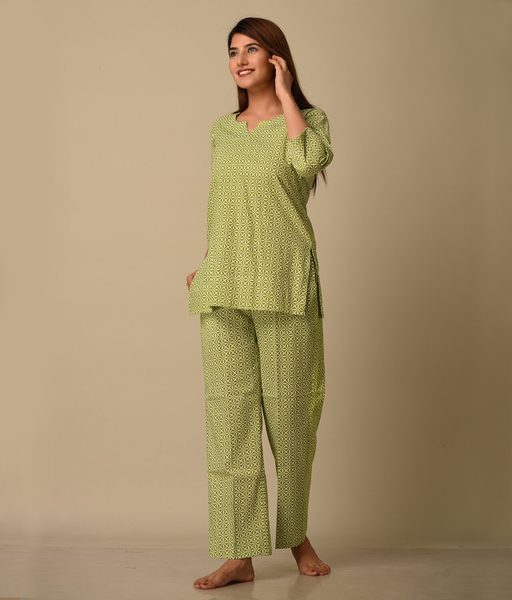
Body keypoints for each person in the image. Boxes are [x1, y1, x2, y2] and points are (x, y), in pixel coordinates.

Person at [186, 16, 334, 590]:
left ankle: (297, 536)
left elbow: (308, 163)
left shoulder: (309, 123)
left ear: (277, 59)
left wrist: (289, 94)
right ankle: (238, 554)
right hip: (224, 288)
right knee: (230, 423)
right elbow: (222, 203)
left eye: (253, 50)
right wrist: (208, 262)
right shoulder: (222, 130)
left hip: (284, 286)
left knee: (292, 421)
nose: (241, 60)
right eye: (233, 52)